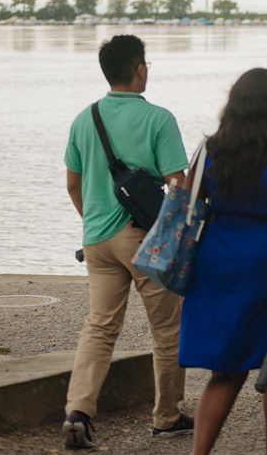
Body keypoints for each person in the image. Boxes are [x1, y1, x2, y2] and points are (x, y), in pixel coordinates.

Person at [62, 34, 191, 449]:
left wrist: (94, 221)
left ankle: (78, 411)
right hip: (144, 239)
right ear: (139, 69)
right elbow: (178, 184)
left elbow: (72, 183)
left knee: (99, 327)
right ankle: (166, 416)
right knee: (167, 330)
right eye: (146, 63)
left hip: (97, 240)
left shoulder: (85, 118)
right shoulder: (159, 119)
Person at [180, 68, 267, 455]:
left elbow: (189, 205)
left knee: (226, 369)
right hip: (264, 264)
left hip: (215, 259)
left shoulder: (209, 150)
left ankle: (199, 452)